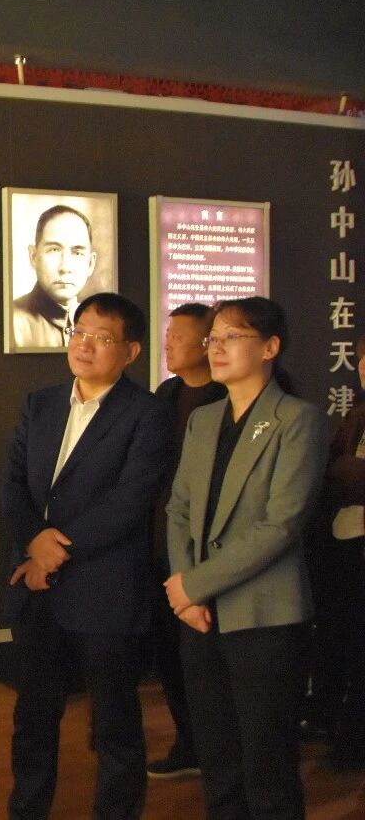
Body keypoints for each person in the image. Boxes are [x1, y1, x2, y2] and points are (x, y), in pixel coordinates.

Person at [2, 292, 173, 820]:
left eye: (102, 337)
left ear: (131, 352)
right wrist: (33, 542)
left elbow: (130, 500)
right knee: (33, 717)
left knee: (114, 723)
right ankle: (27, 810)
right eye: (79, 332)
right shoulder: (41, 403)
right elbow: (13, 484)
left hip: (105, 588)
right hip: (38, 589)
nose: (85, 345)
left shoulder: (146, 413)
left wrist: (52, 552)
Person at [165, 297, 328, 819]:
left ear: (270, 347)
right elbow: (179, 509)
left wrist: (195, 584)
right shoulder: (204, 419)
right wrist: (185, 589)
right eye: (213, 338)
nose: (216, 348)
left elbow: (280, 526)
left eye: (231, 337)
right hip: (199, 615)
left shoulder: (297, 419)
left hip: (264, 615)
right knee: (218, 760)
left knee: (268, 763)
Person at [147, 303, 226, 780]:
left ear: (205, 342)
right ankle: (188, 742)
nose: (168, 343)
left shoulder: (226, 397)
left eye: (178, 335)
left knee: (205, 658)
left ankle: (216, 748)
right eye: (168, 334)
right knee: (169, 654)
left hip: (207, 552)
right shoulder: (167, 395)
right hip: (161, 543)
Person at [308, 331, 365, 769]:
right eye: (363, 360)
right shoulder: (357, 414)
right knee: (343, 640)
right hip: (344, 546)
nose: (364, 368)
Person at [11, 205, 98, 350]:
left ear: (90, 263)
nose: (65, 267)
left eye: (77, 253)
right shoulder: (12, 322)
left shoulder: (100, 325)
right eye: (54, 250)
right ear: (33, 256)